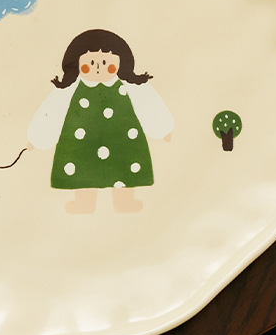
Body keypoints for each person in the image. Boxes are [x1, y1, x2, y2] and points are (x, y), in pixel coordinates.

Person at [28, 29, 174, 213]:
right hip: (82, 143)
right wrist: (37, 139)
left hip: (122, 140)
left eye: (105, 63)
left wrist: (163, 128)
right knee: (83, 171)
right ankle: (84, 203)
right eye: (90, 63)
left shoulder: (131, 86)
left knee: (124, 168)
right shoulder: (69, 90)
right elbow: (52, 111)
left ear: (121, 63)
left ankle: (124, 202)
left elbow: (147, 103)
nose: (98, 68)